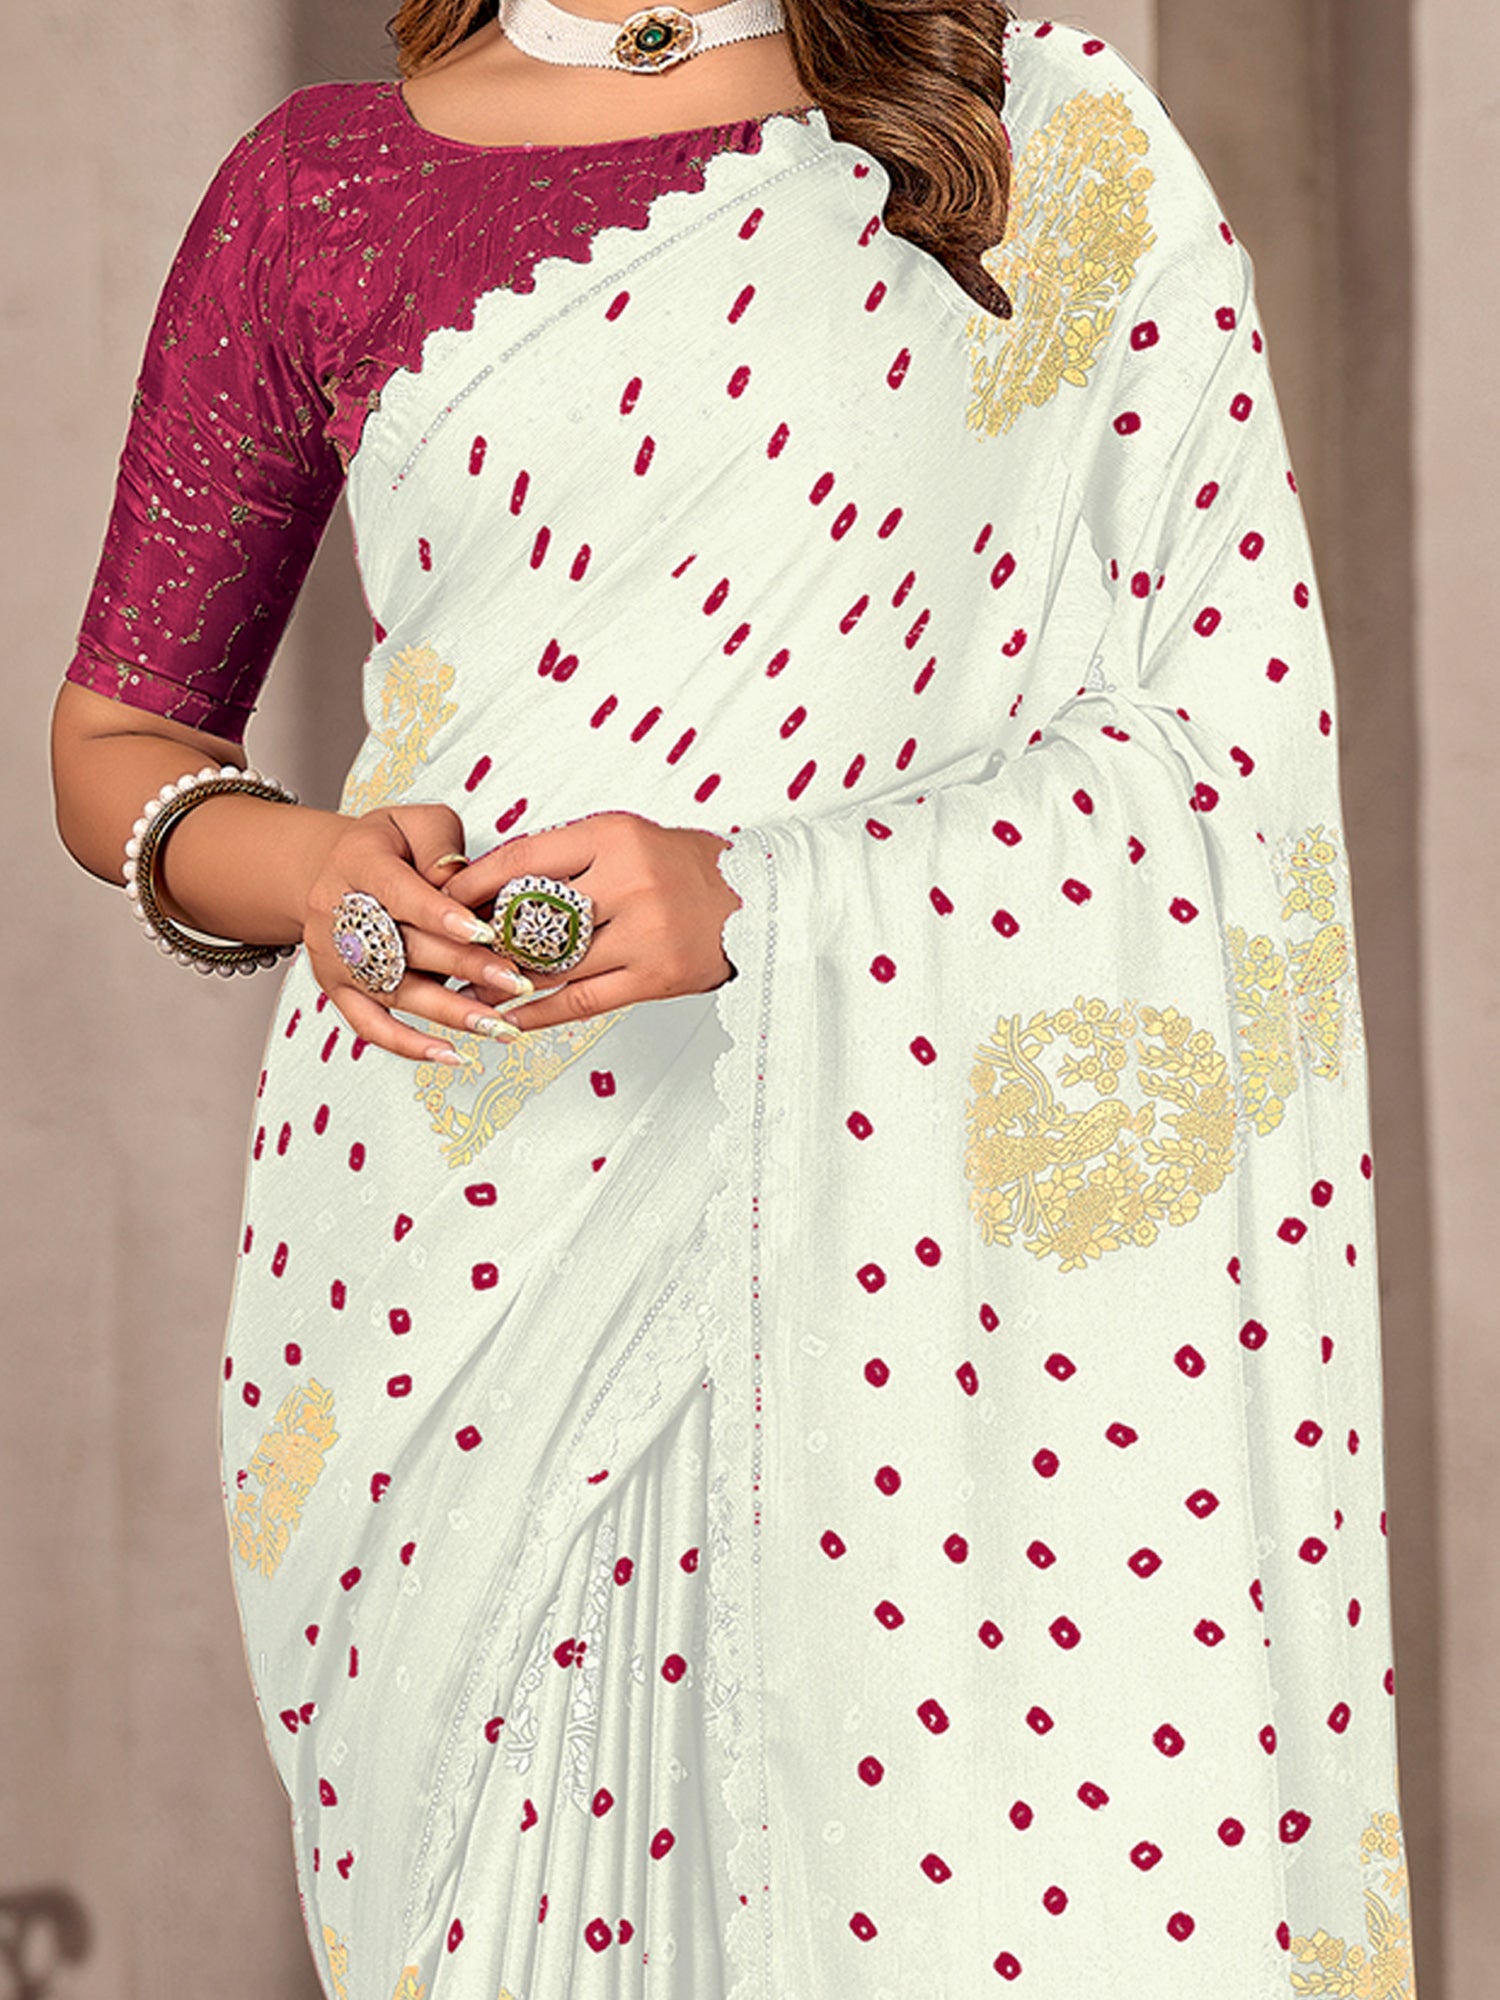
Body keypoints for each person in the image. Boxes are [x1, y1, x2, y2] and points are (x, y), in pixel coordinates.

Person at [49, 1, 1420, 1994]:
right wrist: (315, 871)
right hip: (450, 1232)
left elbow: (1223, 743)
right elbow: (121, 742)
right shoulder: (317, 189)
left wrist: (763, 901)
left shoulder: (1034, 131)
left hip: (907, 1250)